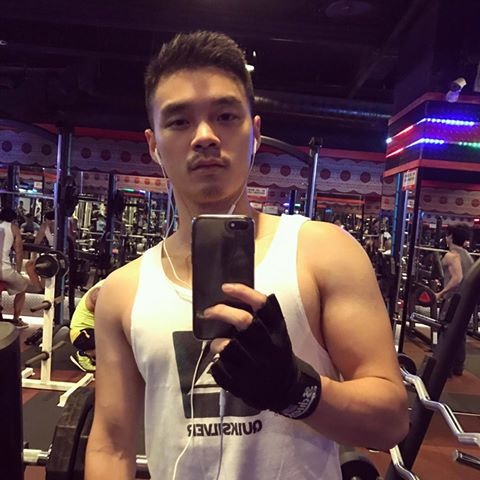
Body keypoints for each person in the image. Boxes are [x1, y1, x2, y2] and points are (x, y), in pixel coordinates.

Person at [86, 31, 408, 480]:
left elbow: (391, 422)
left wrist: (295, 390)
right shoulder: (122, 292)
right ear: (154, 144)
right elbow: (110, 445)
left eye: (225, 116)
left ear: (254, 133)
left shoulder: (322, 252)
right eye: (179, 121)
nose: (204, 136)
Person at [435, 224, 474, 376]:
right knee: (460, 332)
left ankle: (443, 367)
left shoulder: (451, 256)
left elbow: (457, 278)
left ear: (450, 236)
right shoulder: (468, 256)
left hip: (453, 300)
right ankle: (457, 366)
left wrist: (441, 293)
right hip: (466, 300)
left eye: (447, 235)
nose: (446, 238)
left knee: (445, 330)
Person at [0, 208, 29, 328]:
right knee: (23, 287)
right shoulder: (13, 228)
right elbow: (19, 253)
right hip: (5, 270)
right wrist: (18, 271)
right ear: (13, 219)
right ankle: (16, 319)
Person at [69, 281, 103, 373]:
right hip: (81, 335)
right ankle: (84, 354)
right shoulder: (100, 292)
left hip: (91, 331)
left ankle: (96, 355)